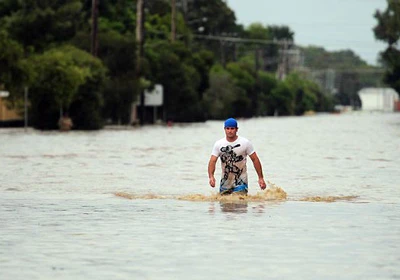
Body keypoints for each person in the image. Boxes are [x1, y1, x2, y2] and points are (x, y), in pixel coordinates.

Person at [208, 118, 267, 195]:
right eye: (227, 128)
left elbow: (255, 159)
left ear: (236, 129)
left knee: (240, 202)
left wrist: (260, 178)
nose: (230, 131)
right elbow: (212, 161)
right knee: (225, 204)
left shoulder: (245, 143)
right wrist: (211, 176)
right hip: (225, 182)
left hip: (241, 181)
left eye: (232, 128)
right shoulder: (219, 144)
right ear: (224, 129)